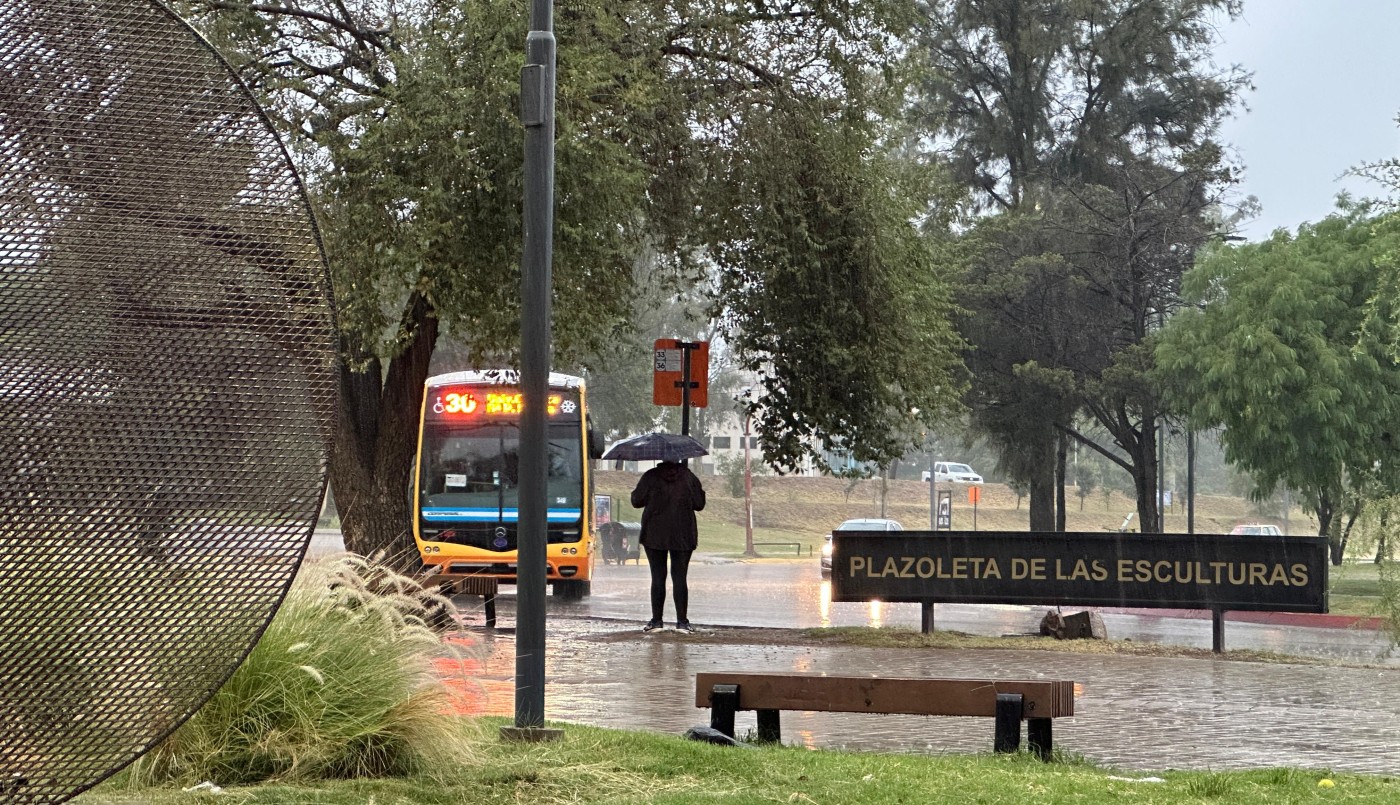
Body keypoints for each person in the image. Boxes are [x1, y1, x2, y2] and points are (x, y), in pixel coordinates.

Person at [631, 459, 706, 633]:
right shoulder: (688, 477)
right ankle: (682, 622)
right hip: (683, 534)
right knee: (680, 578)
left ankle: (656, 621)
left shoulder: (650, 476)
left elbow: (636, 501)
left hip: (654, 534)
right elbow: (699, 504)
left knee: (658, 577)